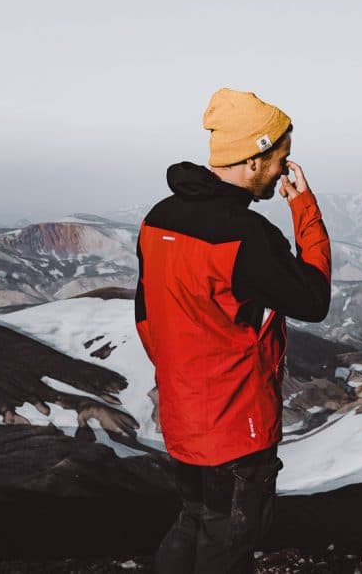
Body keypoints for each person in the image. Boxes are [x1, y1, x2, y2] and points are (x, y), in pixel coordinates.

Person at [134, 87, 332, 574]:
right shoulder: (246, 237)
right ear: (255, 156)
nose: (285, 168)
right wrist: (304, 207)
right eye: (282, 157)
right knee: (232, 540)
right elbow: (314, 299)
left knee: (195, 518)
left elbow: (145, 314)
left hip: (183, 415)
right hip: (237, 426)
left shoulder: (158, 218)